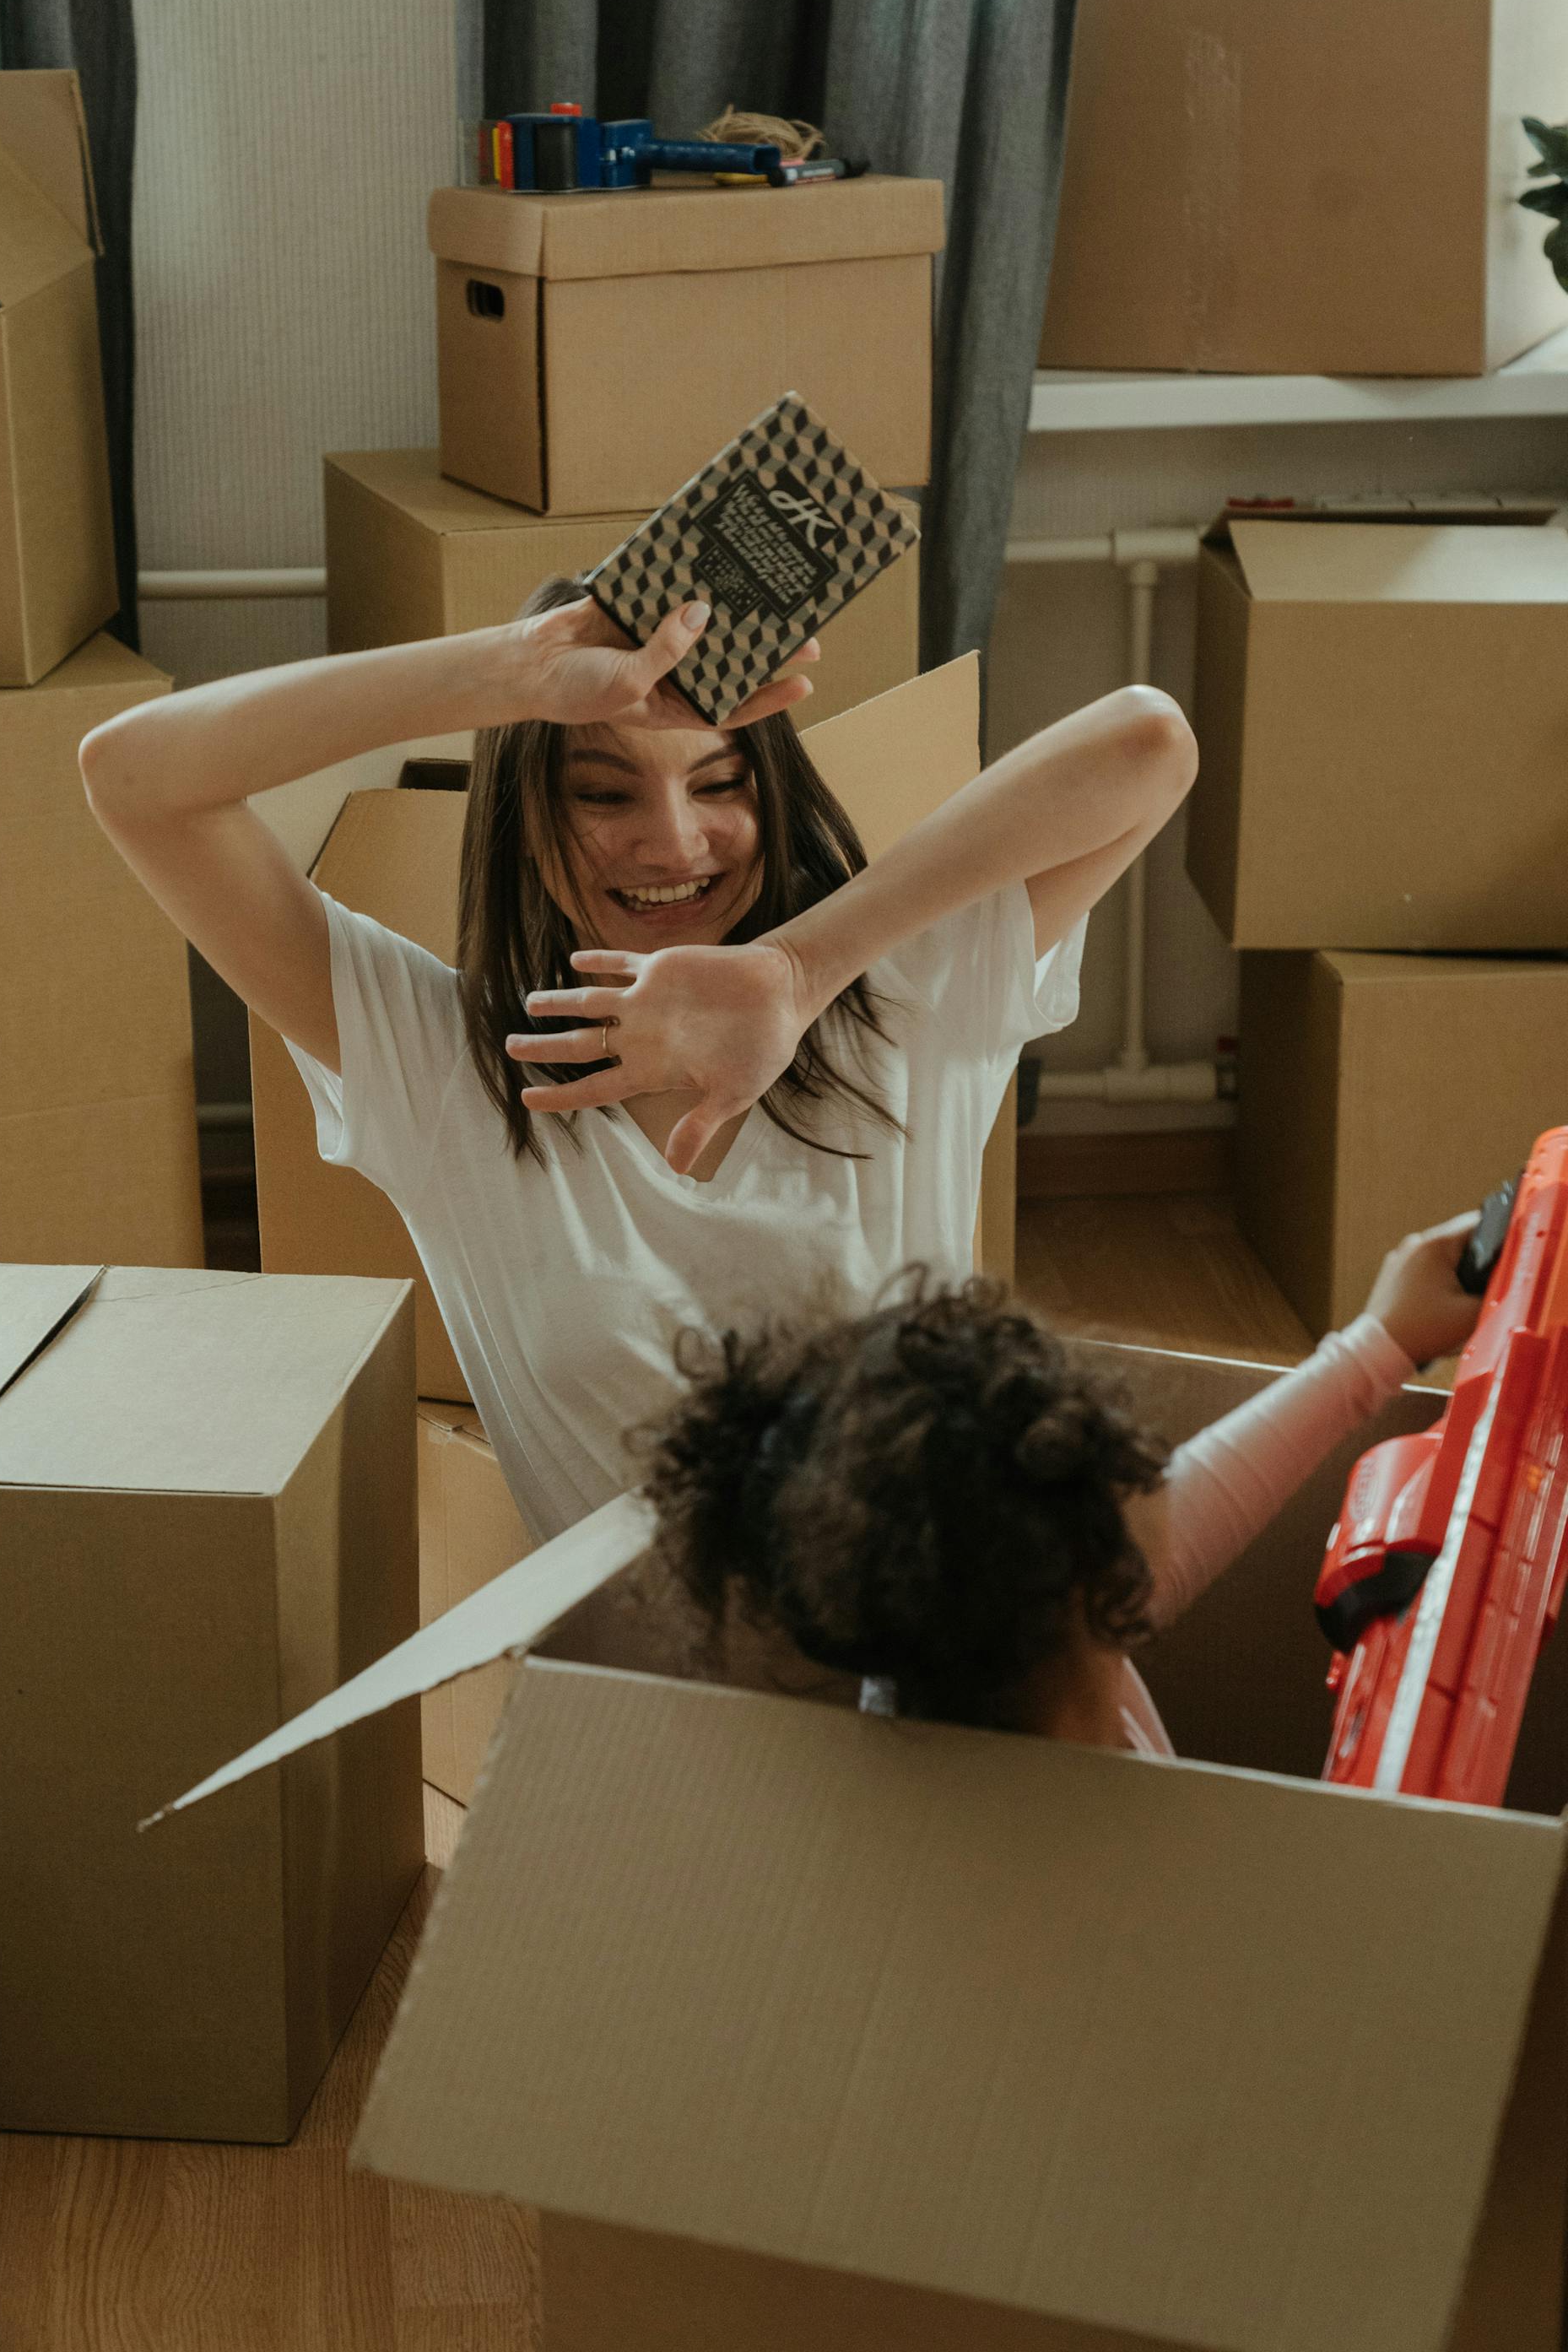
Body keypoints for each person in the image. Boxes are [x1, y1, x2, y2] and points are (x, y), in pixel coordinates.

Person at [80, 580, 1195, 1542]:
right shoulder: (446, 1074)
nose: (673, 842)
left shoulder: (895, 997)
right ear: (524, 820)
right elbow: (131, 778)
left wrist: (802, 970)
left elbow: (1150, 742)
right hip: (655, 1731)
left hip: (956, 1674)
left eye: (720, 784)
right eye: (603, 792)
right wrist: (507, 674)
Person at [641, 1218, 1484, 1751]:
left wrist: (1380, 1342)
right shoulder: (1066, 1847)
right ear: (1100, 1571)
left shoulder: (993, 1644)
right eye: (1119, 1453)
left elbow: (1184, 1520)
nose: (1151, 1459)